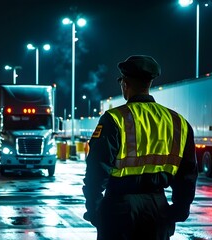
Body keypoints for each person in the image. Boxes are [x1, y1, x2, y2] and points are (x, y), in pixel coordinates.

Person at [82, 55, 198, 240]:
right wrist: (179, 210)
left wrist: (95, 210)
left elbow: (97, 170)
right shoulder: (178, 122)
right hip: (158, 208)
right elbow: (188, 174)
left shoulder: (114, 119)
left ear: (125, 83)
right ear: (149, 83)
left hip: (119, 208)